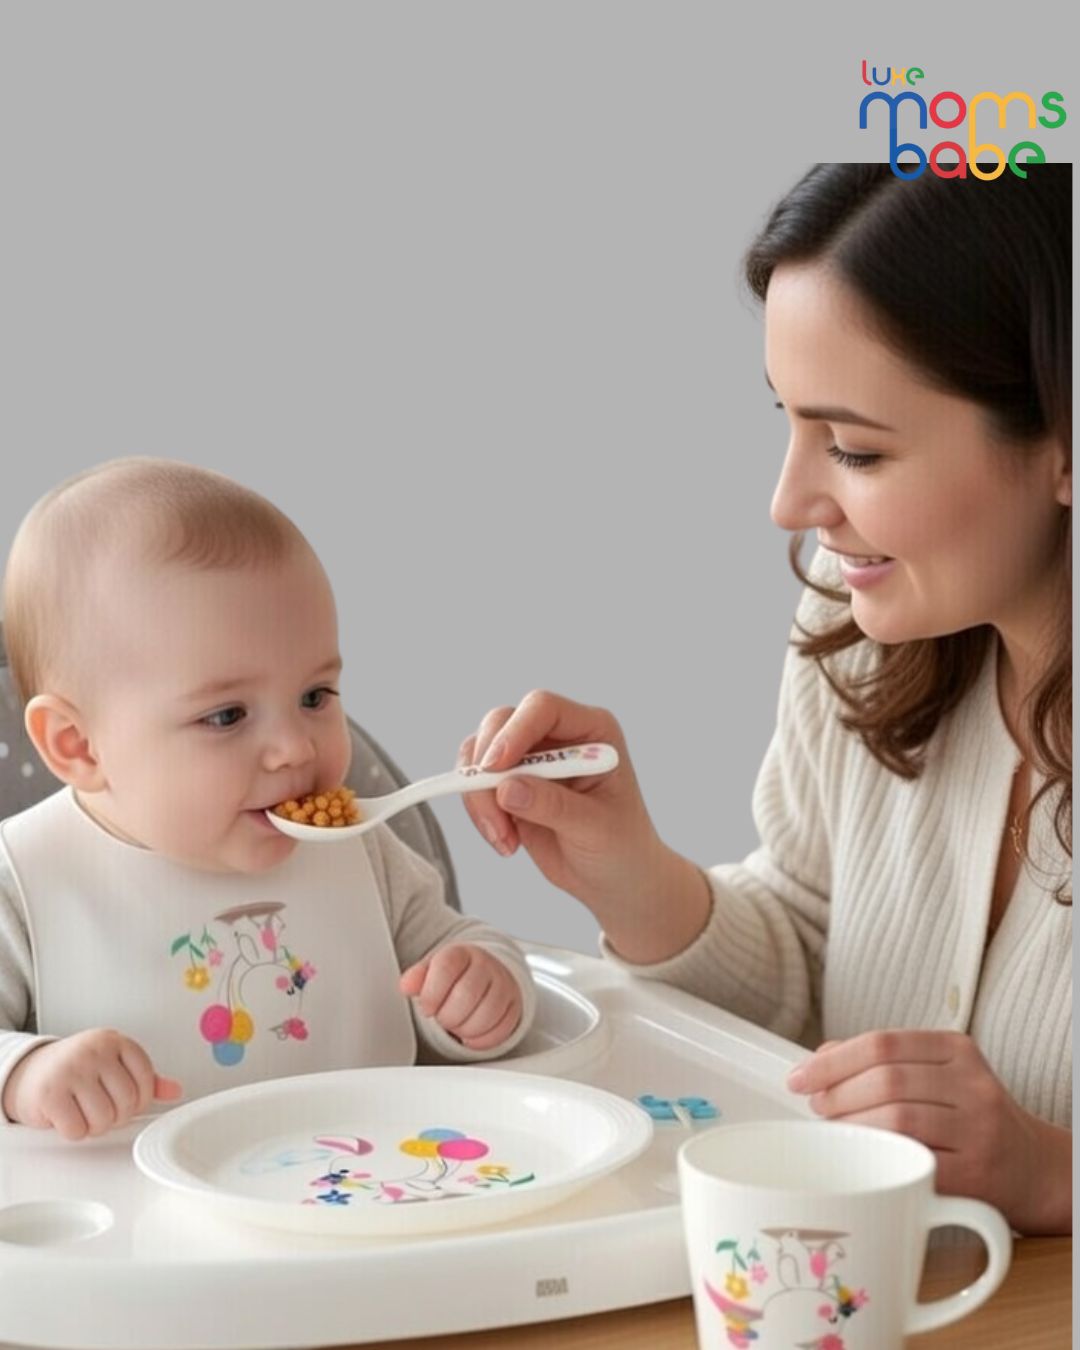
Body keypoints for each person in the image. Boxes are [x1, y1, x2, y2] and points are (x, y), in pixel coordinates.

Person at [460, 164, 1072, 1235]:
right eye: (788, 422)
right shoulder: (865, 622)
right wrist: (634, 879)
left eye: (855, 449)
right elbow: (815, 970)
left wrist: (1055, 1173)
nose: (789, 501)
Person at [0, 458, 536, 1139]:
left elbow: (464, 943)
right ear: (78, 745)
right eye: (226, 715)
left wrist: (482, 989)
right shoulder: (21, 884)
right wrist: (25, 1072)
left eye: (315, 697)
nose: (296, 749)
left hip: (375, 1191)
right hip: (138, 1228)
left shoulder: (361, 851)